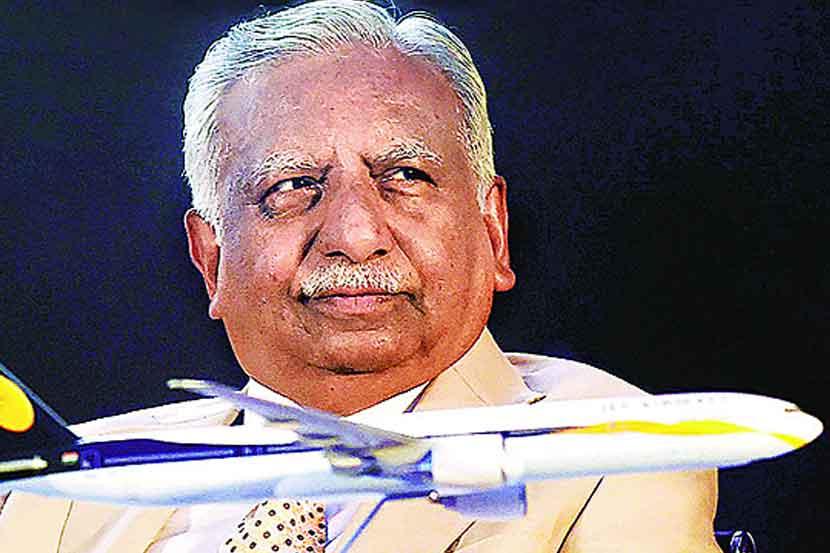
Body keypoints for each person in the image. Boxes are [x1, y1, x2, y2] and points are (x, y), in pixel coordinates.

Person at [0, 1, 720, 551]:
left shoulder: (615, 455)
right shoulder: (65, 485)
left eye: (405, 176)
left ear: (493, 231)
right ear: (211, 258)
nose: (354, 234)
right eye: (291, 187)